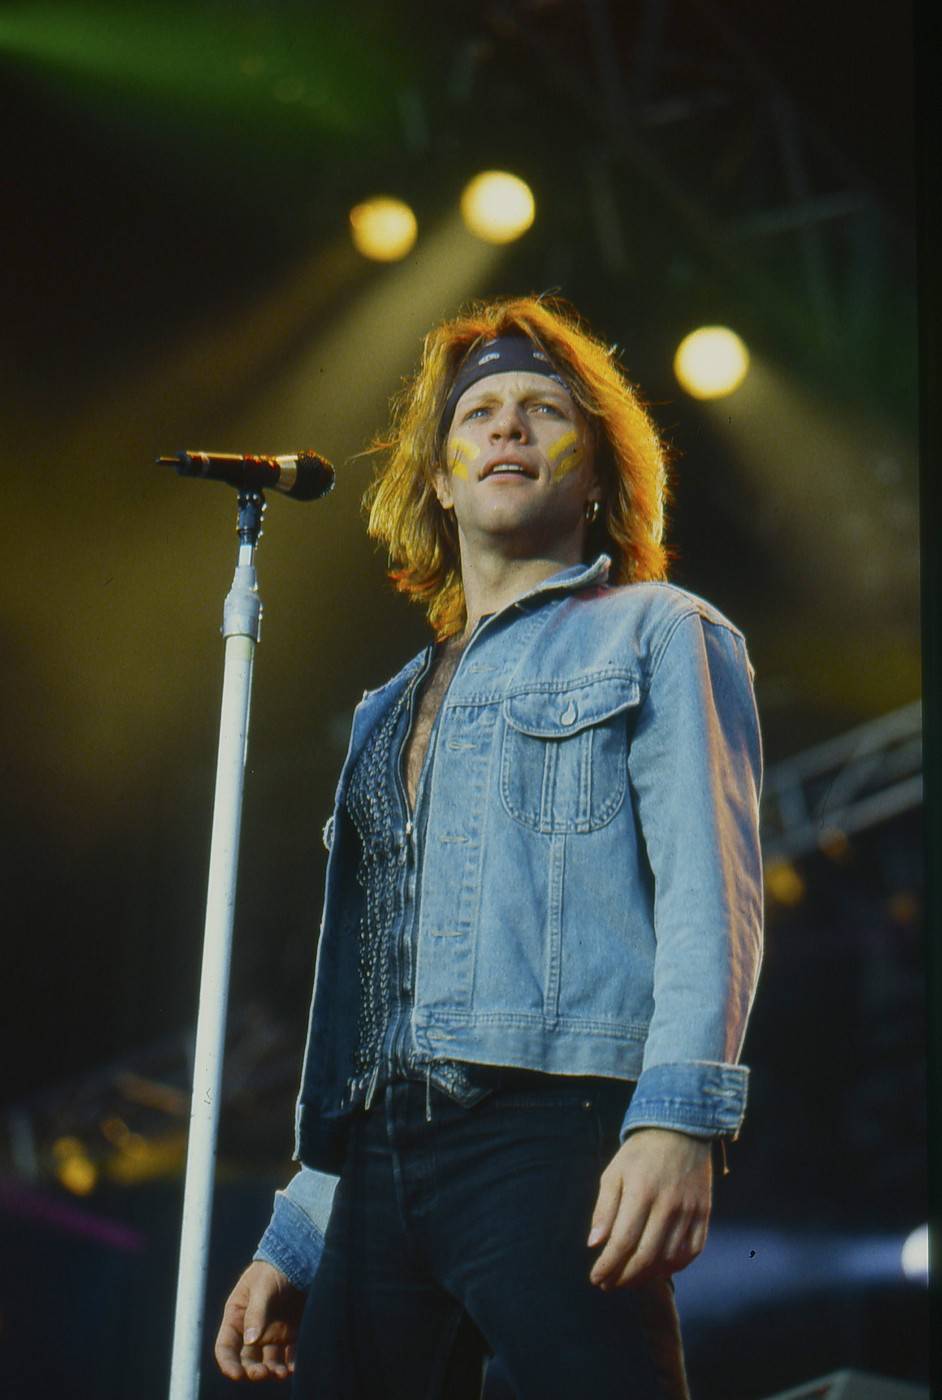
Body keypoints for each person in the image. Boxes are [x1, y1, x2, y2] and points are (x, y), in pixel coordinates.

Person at [214, 295, 764, 1398]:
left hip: (546, 1128)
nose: (508, 427)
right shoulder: (384, 708)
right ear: (441, 475)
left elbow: (715, 895)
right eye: (481, 413)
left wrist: (678, 1118)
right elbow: (364, 994)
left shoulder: (661, 631)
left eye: (543, 409)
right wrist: (304, 1222)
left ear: (597, 475)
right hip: (377, 1158)